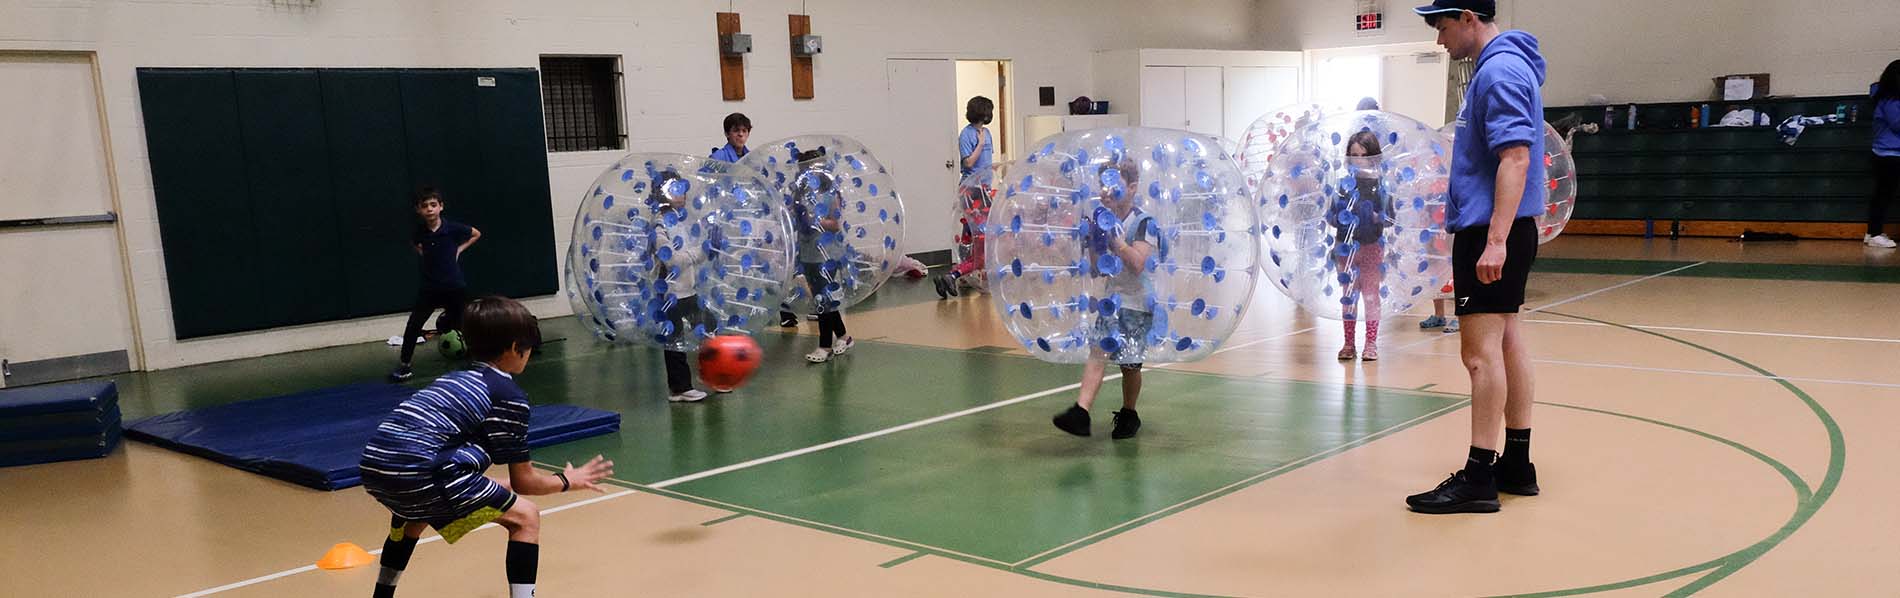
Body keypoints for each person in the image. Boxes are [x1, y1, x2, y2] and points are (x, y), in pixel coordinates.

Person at [360, 296, 614, 598]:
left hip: (377, 469)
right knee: (526, 517)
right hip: (426, 475)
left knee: (416, 513)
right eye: (529, 348)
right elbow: (525, 482)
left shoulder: (455, 380)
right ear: (515, 348)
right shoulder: (506, 394)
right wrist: (566, 481)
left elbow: (461, 473)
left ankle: (382, 595)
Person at [1407, 0, 1546, 514]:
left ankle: (1478, 475)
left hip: (1492, 230)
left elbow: (1516, 157)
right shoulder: (1502, 67)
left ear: (1468, 17)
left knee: (1477, 355)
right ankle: (1517, 462)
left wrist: (1494, 240)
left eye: (1442, 27)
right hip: (1498, 226)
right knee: (1508, 341)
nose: (1440, 40)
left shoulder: (1501, 71)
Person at [1052, 159, 1163, 440]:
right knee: (1098, 353)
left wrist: (1118, 243)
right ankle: (1081, 411)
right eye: (1103, 185)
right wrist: (1093, 243)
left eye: (1114, 185)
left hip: (1138, 302)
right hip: (1113, 299)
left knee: (1130, 364)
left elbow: (1138, 263)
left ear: (1133, 187)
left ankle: (1129, 412)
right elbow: (1099, 268)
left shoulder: (1143, 222)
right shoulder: (1104, 220)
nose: (1106, 191)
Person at [390, 188, 480, 382]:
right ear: (419, 210)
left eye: (433, 205)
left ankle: (475, 362)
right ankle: (405, 365)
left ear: (441, 207)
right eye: (425, 206)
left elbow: (476, 234)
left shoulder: (453, 228)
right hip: (429, 289)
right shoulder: (420, 233)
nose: (429, 209)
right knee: (414, 325)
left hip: (454, 286)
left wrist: (458, 250)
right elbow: (415, 244)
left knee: (464, 324)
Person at [650, 171, 715, 402]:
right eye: (675, 189)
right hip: (670, 293)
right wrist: (702, 251)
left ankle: (711, 376)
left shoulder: (679, 220)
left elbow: (689, 253)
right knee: (675, 340)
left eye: (682, 188)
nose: (682, 193)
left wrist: (709, 249)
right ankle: (679, 387)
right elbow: (672, 260)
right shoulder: (659, 225)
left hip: (688, 289)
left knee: (709, 326)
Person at [1332, 131, 1393, 361]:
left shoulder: (1381, 185)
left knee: (1370, 295)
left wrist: (1376, 215)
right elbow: (1332, 216)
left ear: (1373, 156)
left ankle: (1371, 343)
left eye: (1363, 155)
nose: (1359, 160)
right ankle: (1349, 343)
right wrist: (1339, 214)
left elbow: (1390, 217)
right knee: (1348, 295)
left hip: (1371, 246)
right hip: (1345, 247)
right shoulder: (1342, 185)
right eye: (1354, 155)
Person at [791, 149, 855, 363]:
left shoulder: (830, 193)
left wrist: (814, 222)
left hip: (827, 254)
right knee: (823, 299)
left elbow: (836, 224)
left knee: (823, 300)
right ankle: (844, 337)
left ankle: (824, 345)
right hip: (809, 253)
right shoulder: (799, 195)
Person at [939, 97, 996, 298]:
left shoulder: (987, 132)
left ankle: (961, 275)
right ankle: (955, 274)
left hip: (984, 189)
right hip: (972, 191)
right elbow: (970, 163)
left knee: (970, 236)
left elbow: (987, 163)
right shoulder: (967, 134)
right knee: (982, 237)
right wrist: (979, 144)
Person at [1865, 60, 1900, 248]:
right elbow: (1897, 124)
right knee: (1883, 194)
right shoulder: (1890, 101)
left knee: (1883, 194)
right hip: (1888, 154)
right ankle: (1874, 232)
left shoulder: (1888, 99)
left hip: (1890, 153)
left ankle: (1873, 232)